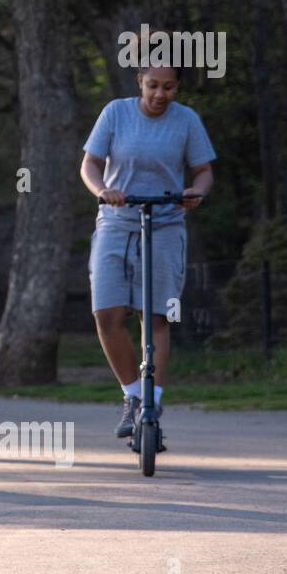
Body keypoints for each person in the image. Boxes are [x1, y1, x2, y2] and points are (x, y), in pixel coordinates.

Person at [79, 63, 215, 439]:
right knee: (107, 313)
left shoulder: (186, 120)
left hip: (166, 223)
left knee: (156, 318)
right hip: (117, 221)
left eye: (168, 87)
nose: (160, 95)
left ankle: (151, 403)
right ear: (139, 82)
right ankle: (133, 396)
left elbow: (203, 170)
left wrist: (196, 192)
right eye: (152, 85)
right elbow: (90, 163)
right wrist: (103, 190)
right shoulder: (115, 112)